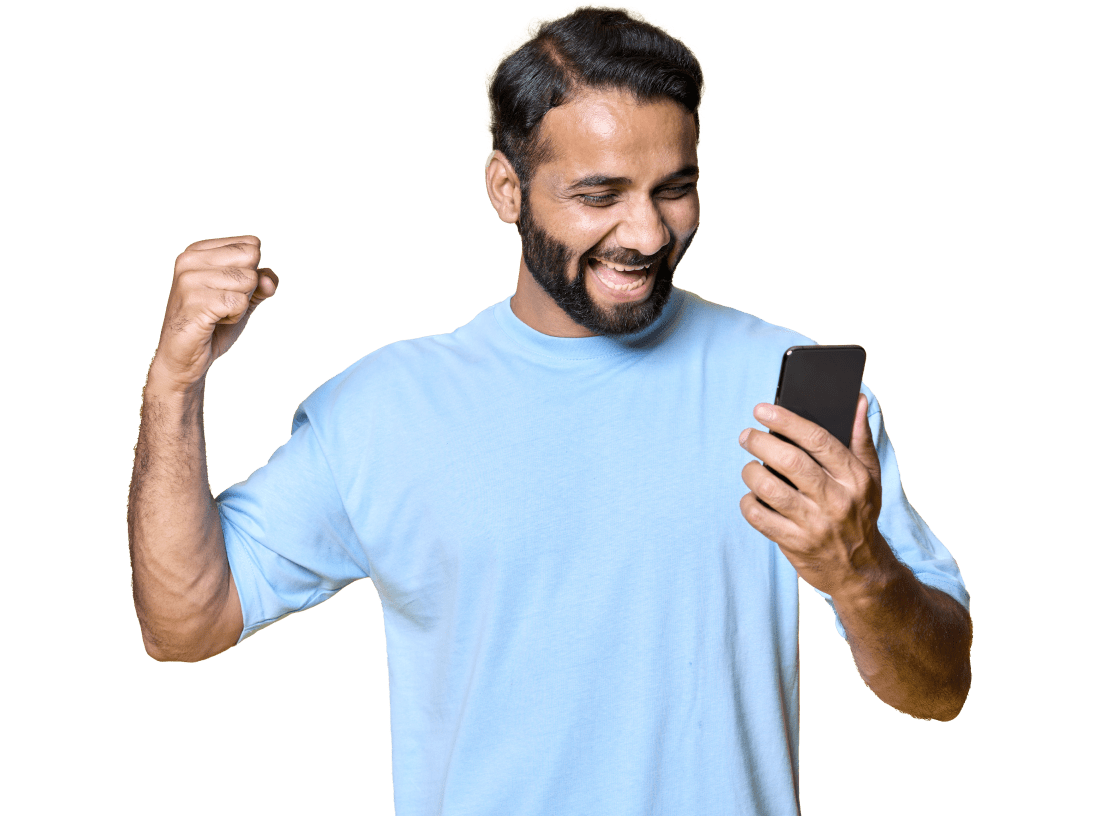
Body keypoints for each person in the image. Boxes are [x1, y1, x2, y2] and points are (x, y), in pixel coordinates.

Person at [127, 4, 972, 815]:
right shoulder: (387, 407)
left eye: (674, 189)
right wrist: (173, 387)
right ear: (506, 187)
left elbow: (939, 689)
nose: (646, 233)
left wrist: (859, 572)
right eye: (599, 196)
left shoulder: (789, 390)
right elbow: (186, 620)